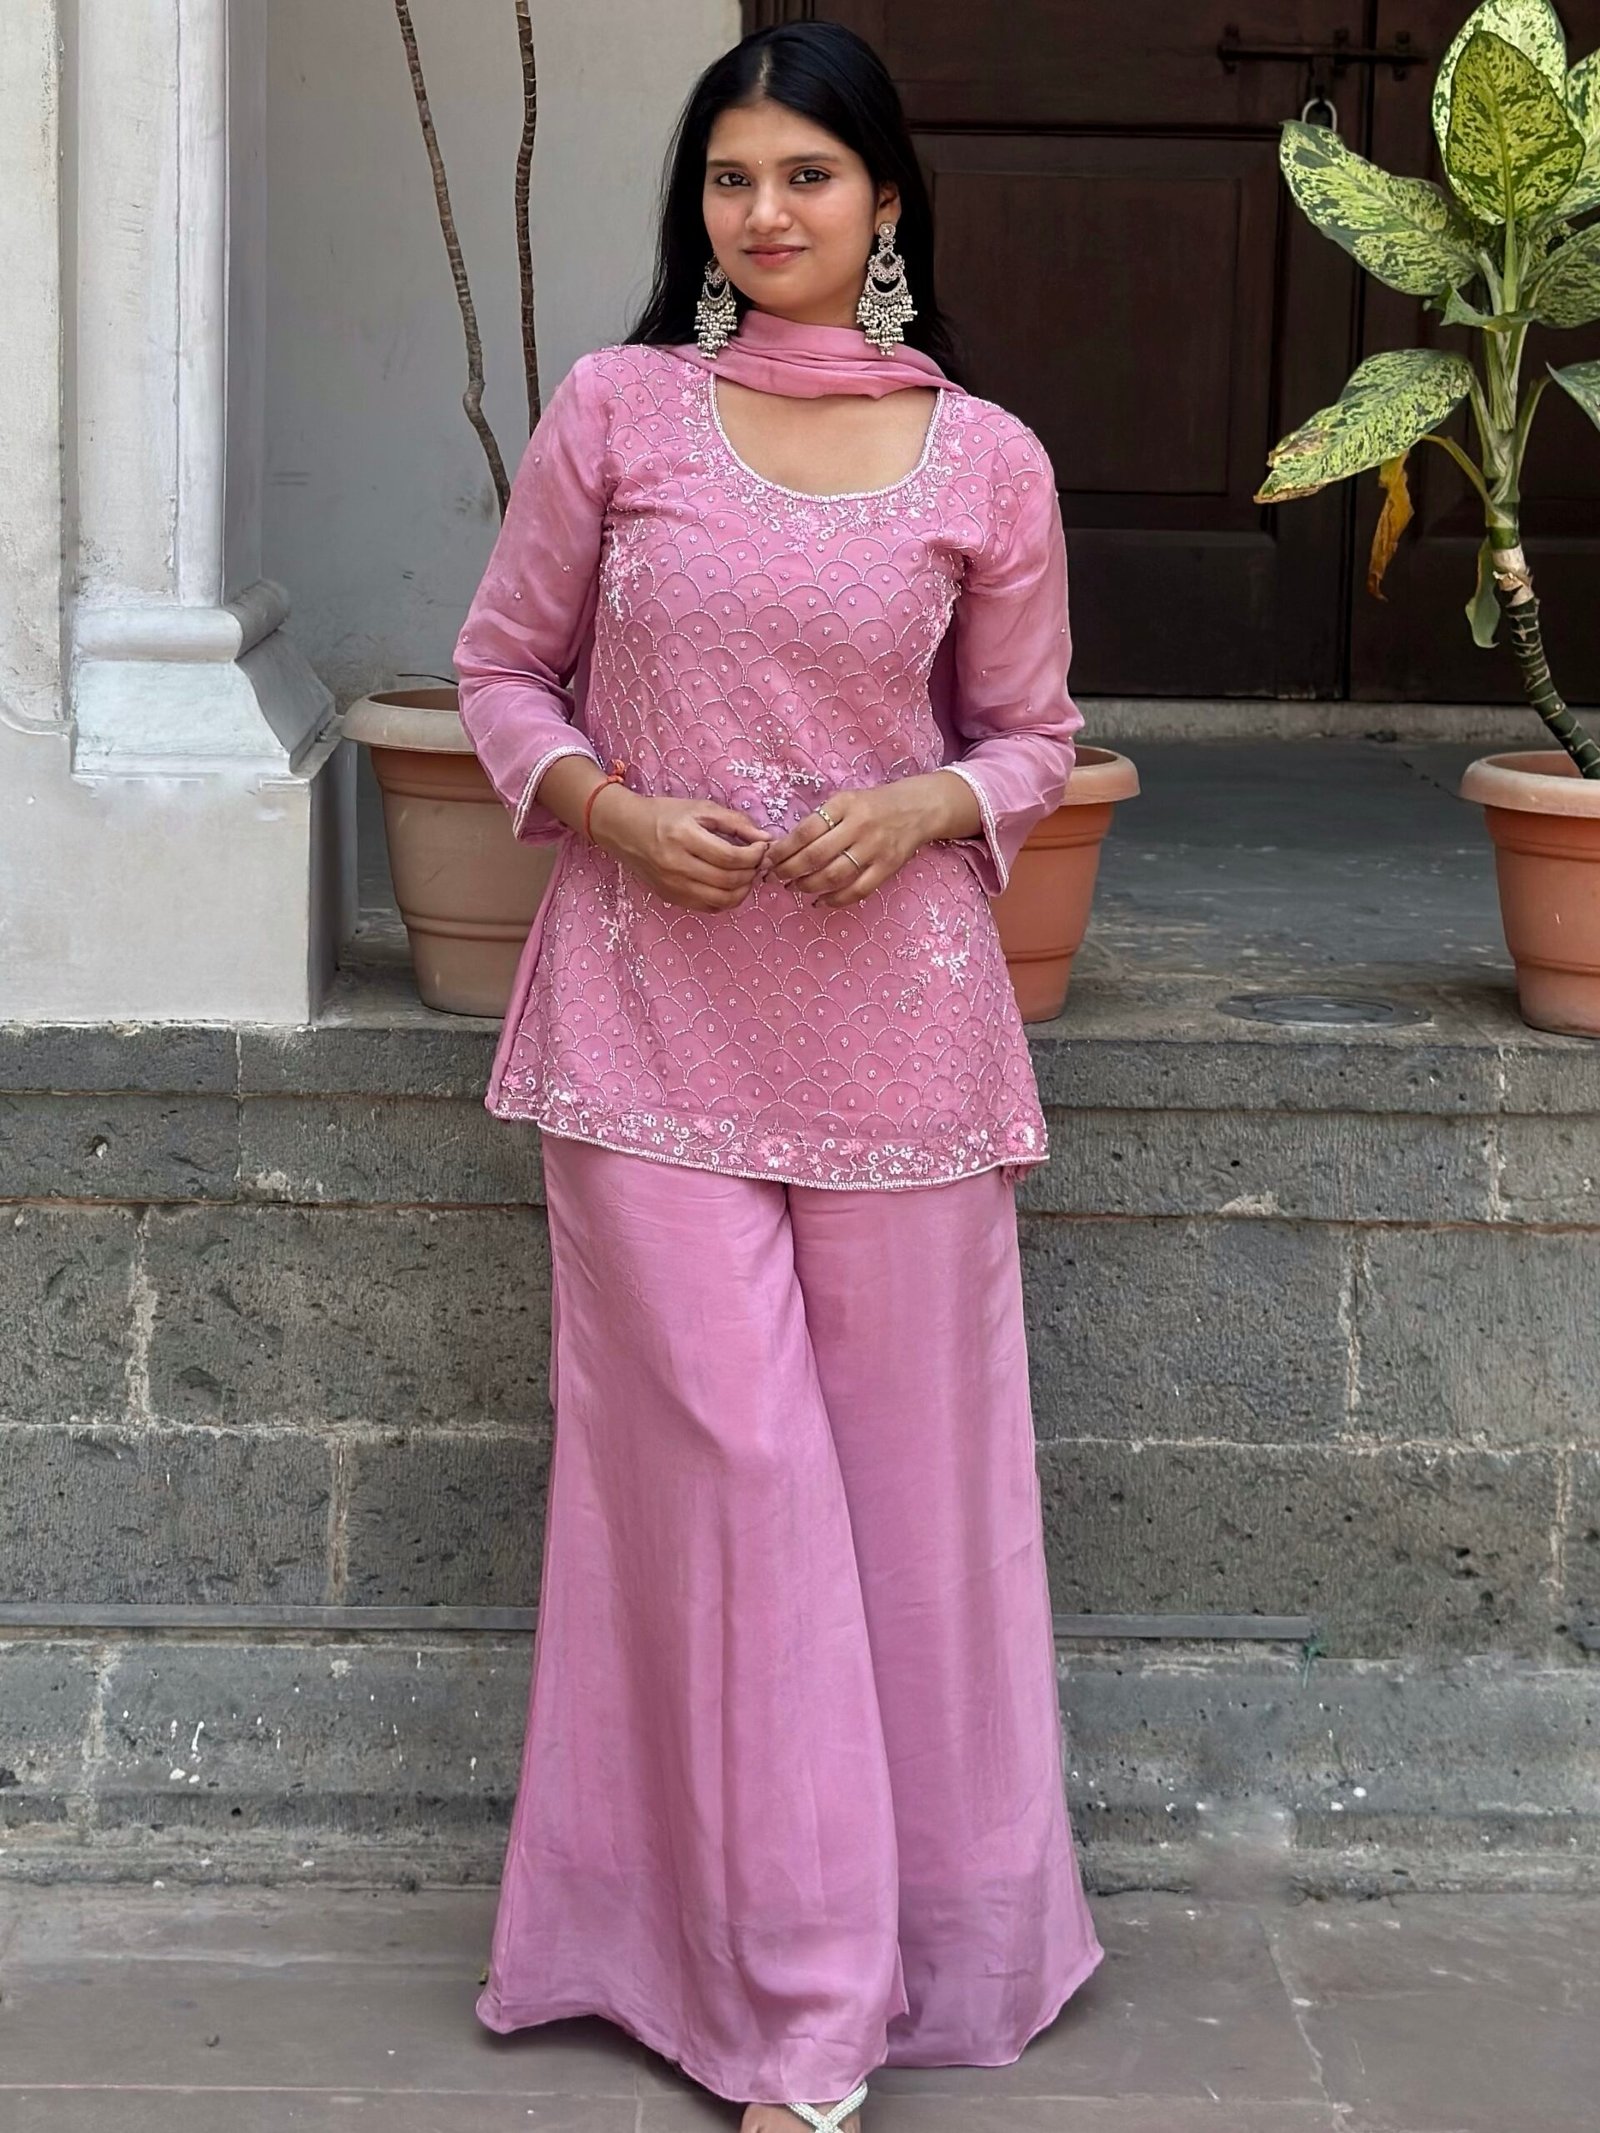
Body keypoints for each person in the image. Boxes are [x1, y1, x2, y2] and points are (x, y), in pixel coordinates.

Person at [452, 19, 1104, 2133]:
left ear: (883, 201)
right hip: (647, 1020)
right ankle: (795, 2005)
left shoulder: (984, 459)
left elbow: (1031, 732)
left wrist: (926, 805)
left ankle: (952, 1946)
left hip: (903, 1040)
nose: (764, 212)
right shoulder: (616, 411)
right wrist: (609, 810)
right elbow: (500, 668)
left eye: (807, 176)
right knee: (729, 1484)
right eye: (730, 178)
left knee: (918, 1512)